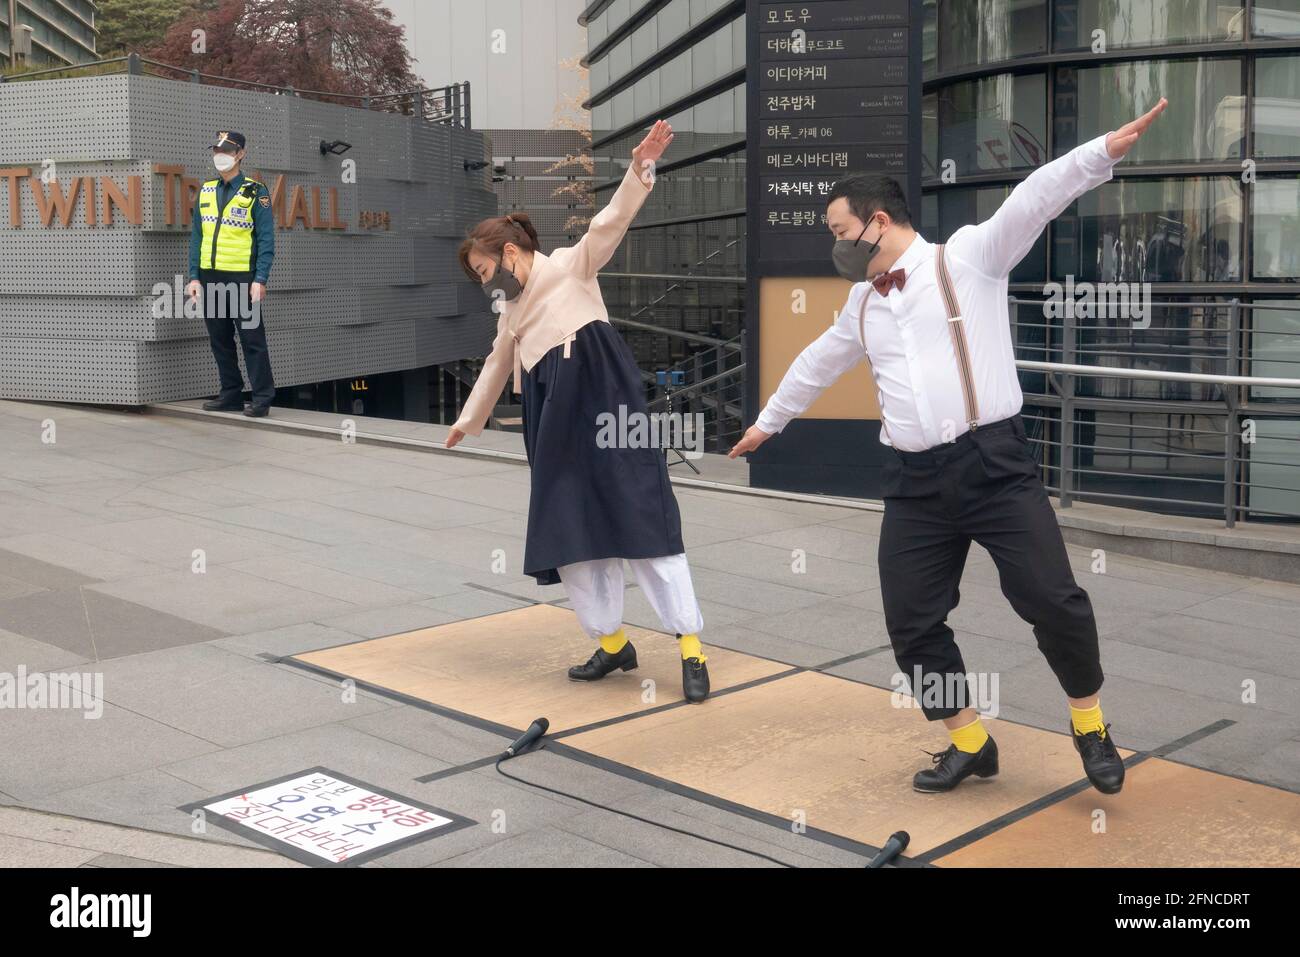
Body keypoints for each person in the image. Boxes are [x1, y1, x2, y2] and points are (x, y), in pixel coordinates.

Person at [731, 99, 1170, 794]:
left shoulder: (968, 258)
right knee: (910, 622)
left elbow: (1033, 200)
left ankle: (1089, 723)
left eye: (840, 231)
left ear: (877, 221)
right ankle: (970, 740)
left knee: (1054, 601)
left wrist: (1101, 152)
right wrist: (770, 420)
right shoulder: (864, 302)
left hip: (994, 466)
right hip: (912, 482)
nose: (835, 244)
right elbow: (818, 360)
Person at [448, 120, 711, 704]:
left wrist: (639, 169)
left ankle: (691, 647)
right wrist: (468, 420)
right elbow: (496, 364)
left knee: (642, 519)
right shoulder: (511, 315)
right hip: (553, 423)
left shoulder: (571, 266)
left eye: (487, 273)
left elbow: (608, 222)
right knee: (569, 530)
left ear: (511, 252)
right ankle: (614, 644)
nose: (487, 286)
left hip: (608, 408)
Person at [185, 130, 276, 417]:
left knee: (252, 340)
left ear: (240, 154)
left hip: (242, 279)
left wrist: (260, 279)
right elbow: (197, 237)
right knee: (219, 340)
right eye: (216, 151)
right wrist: (194, 277)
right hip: (210, 277)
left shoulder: (255, 191)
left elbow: (266, 239)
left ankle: (261, 398)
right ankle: (231, 394)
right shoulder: (207, 190)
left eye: (227, 151)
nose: (220, 156)